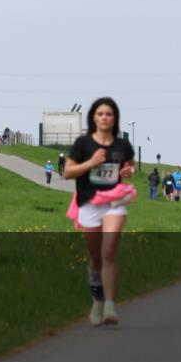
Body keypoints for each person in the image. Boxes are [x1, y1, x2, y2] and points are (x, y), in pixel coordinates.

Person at [63, 97, 136, 326]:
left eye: (109, 114)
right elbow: (68, 173)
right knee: (95, 256)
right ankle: (97, 300)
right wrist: (91, 163)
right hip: (89, 203)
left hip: (115, 203)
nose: (105, 117)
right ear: (94, 118)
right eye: (101, 114)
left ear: (115, 119)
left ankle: (111, 305)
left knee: (109, 251)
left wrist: (128, 171)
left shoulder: (122, 146)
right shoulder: (83, 144)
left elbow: (129, 168)